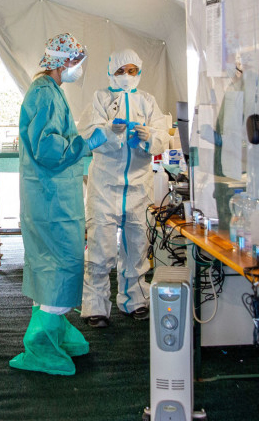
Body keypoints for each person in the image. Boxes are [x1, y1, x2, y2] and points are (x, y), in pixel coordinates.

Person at [10, 33, 108, 376]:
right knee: (60, 266)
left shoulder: (50, 91)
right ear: (64, 61)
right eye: (77, 62)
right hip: (51, 202)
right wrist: (86, 144)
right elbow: (49, 150)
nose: (79, 68)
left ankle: (55, 330)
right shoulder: (44, 94)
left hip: (50, 198)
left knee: (51, 268)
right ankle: (42, 344)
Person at [79, 49, 169, 327]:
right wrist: (108, 131)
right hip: (105, 186)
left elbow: (162, 137)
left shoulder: (147, 101)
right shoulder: (101, 98)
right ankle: (95, 306)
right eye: (121, 71)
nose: (127, 76)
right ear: (111, 72)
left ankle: (135, 300)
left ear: (139, 72)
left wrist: (149, 136)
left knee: (138, 246)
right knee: (100, 248)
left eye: (132, 71)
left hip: (139, 187)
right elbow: (87, 137)